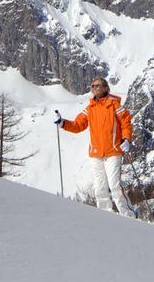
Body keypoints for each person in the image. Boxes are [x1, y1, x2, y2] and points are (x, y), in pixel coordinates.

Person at [56, 77, 135, 216]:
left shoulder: (114, 105)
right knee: (100, 187)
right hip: (96, 153)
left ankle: (128, 214)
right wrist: (63, 123)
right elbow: (78, 125)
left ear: (105, 88)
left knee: (115, 185)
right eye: (92, 86)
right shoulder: (90, 108)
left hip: (113, 151)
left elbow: (126, 122)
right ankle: (104, 214)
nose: (94, 88)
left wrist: (127, 139)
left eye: (97, 86)